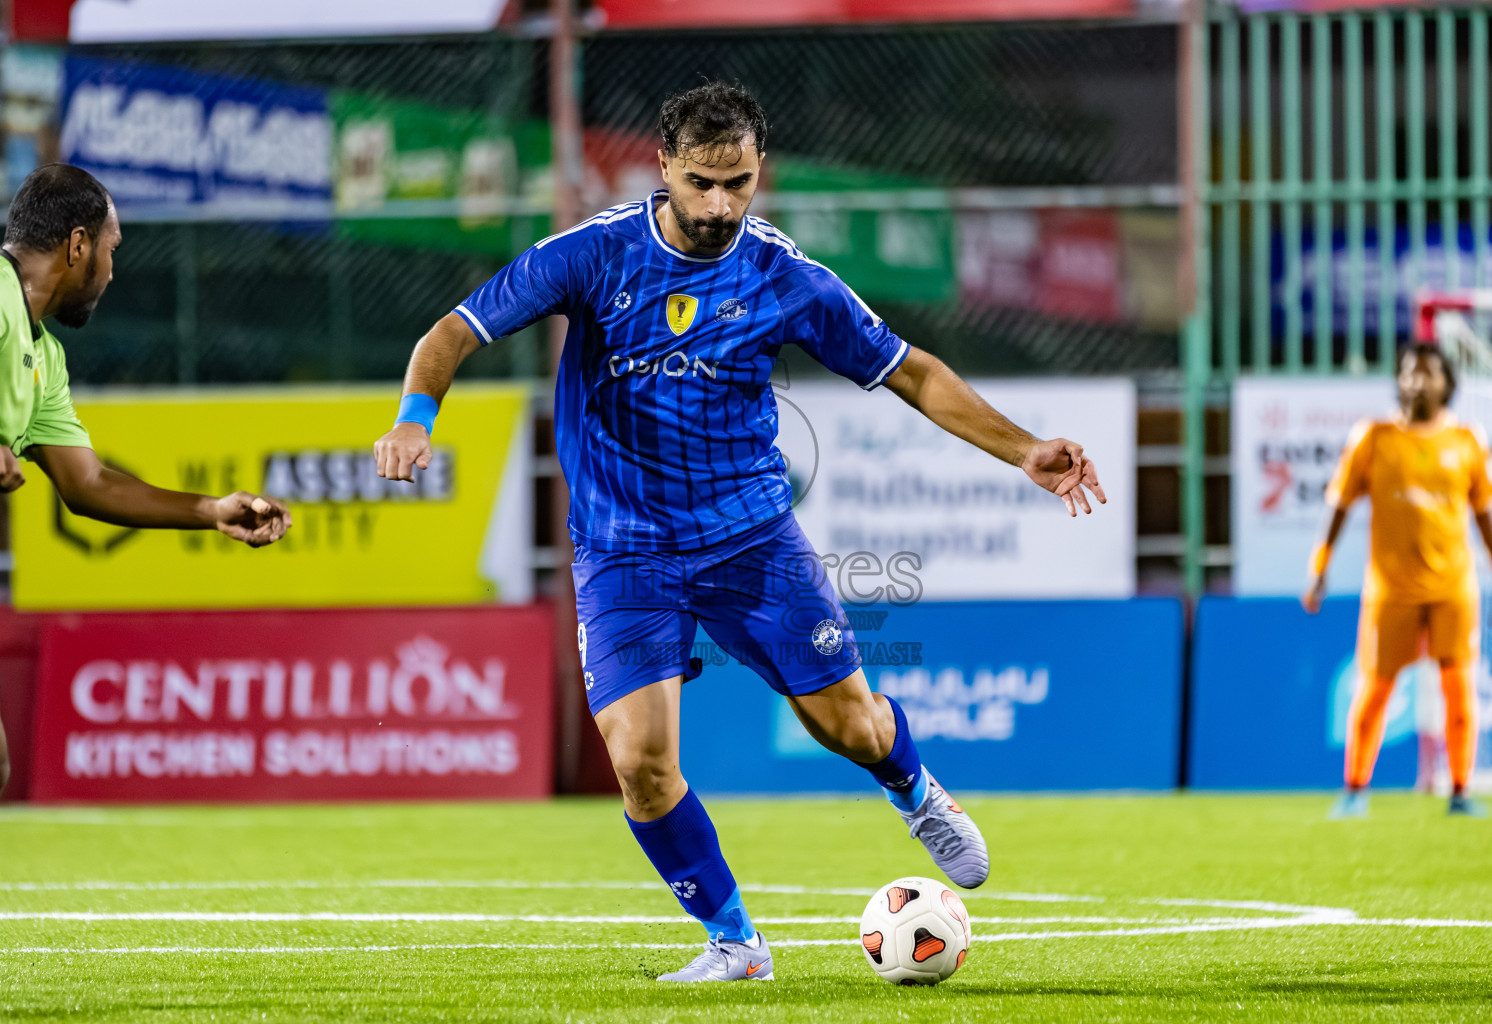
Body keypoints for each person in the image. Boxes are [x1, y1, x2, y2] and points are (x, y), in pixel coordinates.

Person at [374, 82, 1106, 982]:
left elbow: (910, 372)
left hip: (750, 541)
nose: (721, 205)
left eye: (740, 184)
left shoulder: (783, 276)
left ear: (762, 173)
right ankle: (734, 942)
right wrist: (415, 417)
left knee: (849, 727)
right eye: (702, 183)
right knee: (641, 762)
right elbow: (451, 334)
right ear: (663, 168)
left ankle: (912, 788)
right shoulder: (593, 255)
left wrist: (1024, 449)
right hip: (623, 549)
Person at [0, 164, 292, 796]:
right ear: (78, 245)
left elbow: (90, 485)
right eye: (111, 250)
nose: (112, 269)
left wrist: (212, 510)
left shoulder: (43, 358)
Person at [1304, 342, 1492, 819]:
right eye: (1410, 373)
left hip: (1452, 588)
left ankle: (1459, 791)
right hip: (1390, 590)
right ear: (1399, 380)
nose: (1419, 381)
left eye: (1429, 373)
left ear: (1446, 384)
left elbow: (1484, 514)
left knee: (1458, 688)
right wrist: (1320, 567)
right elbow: (1338, 505)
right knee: (1375, 689)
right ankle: (1355, 790)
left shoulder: (1466, 440)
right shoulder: (1372, 438)